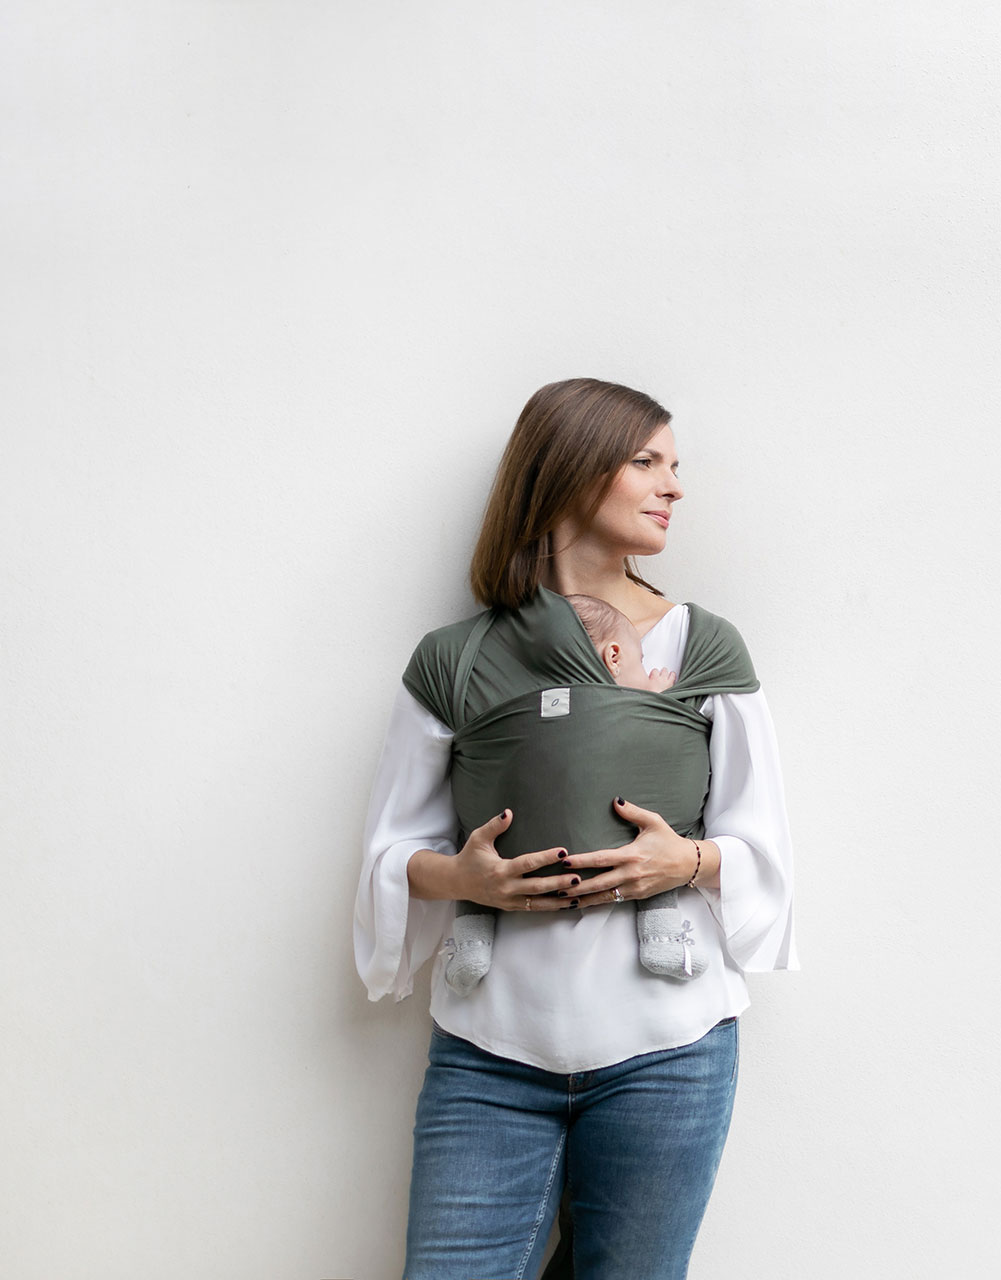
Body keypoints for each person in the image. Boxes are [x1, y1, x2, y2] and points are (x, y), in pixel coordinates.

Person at [354, 377, 800, 1280]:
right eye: (646, 462)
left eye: (675, 466)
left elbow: (764, 851)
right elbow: (389, 853)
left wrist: (686, 859)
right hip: (489, 1057)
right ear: (566, 473)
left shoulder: (702, 650)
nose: (675, 486)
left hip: (670, 1052)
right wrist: (467, 880)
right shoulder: (456, 660)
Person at [441, 592, 712, 997]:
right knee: (654, 826)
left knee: (481, 837)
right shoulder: (631, 704)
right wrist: (655, 697)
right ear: (614, 657)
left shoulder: (512, 694)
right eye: (641, 663)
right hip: (618, 843)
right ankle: (661, 936)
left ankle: (470, 944)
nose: (646, 672)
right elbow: (646, 728)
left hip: (516, 843)